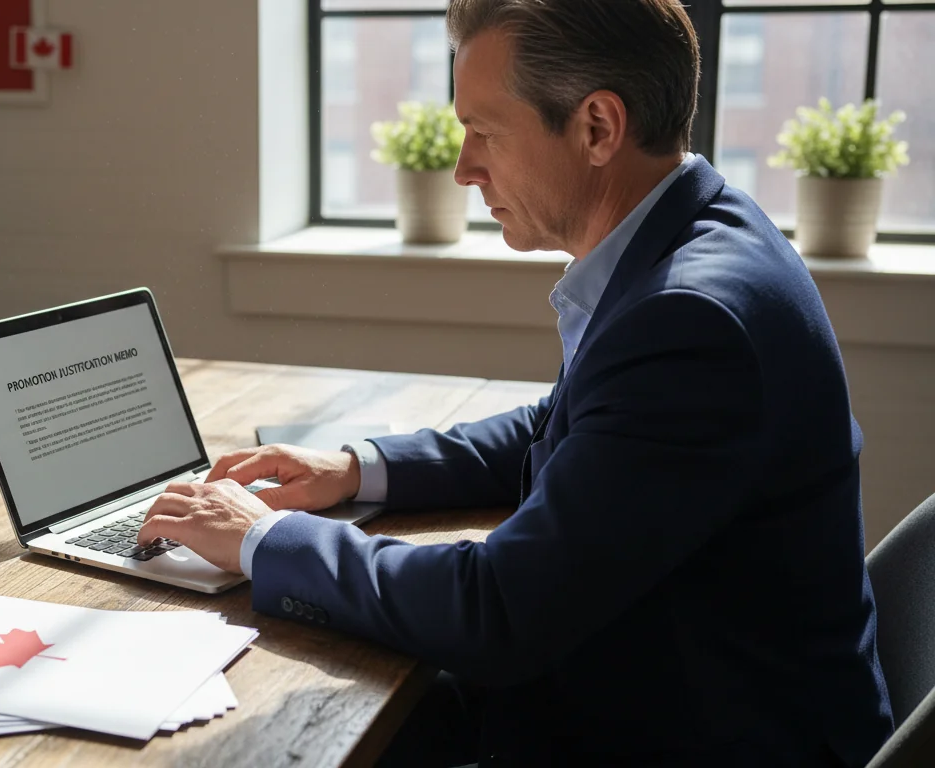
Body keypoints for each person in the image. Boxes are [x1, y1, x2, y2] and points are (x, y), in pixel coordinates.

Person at [136, 0, 893, 764]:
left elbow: (497, 611)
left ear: (597, 127)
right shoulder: (699, 236)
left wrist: (262, 537)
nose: (464, 168)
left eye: (485, 131)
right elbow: (565, 424)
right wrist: (357, 468)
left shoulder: (689, 318)